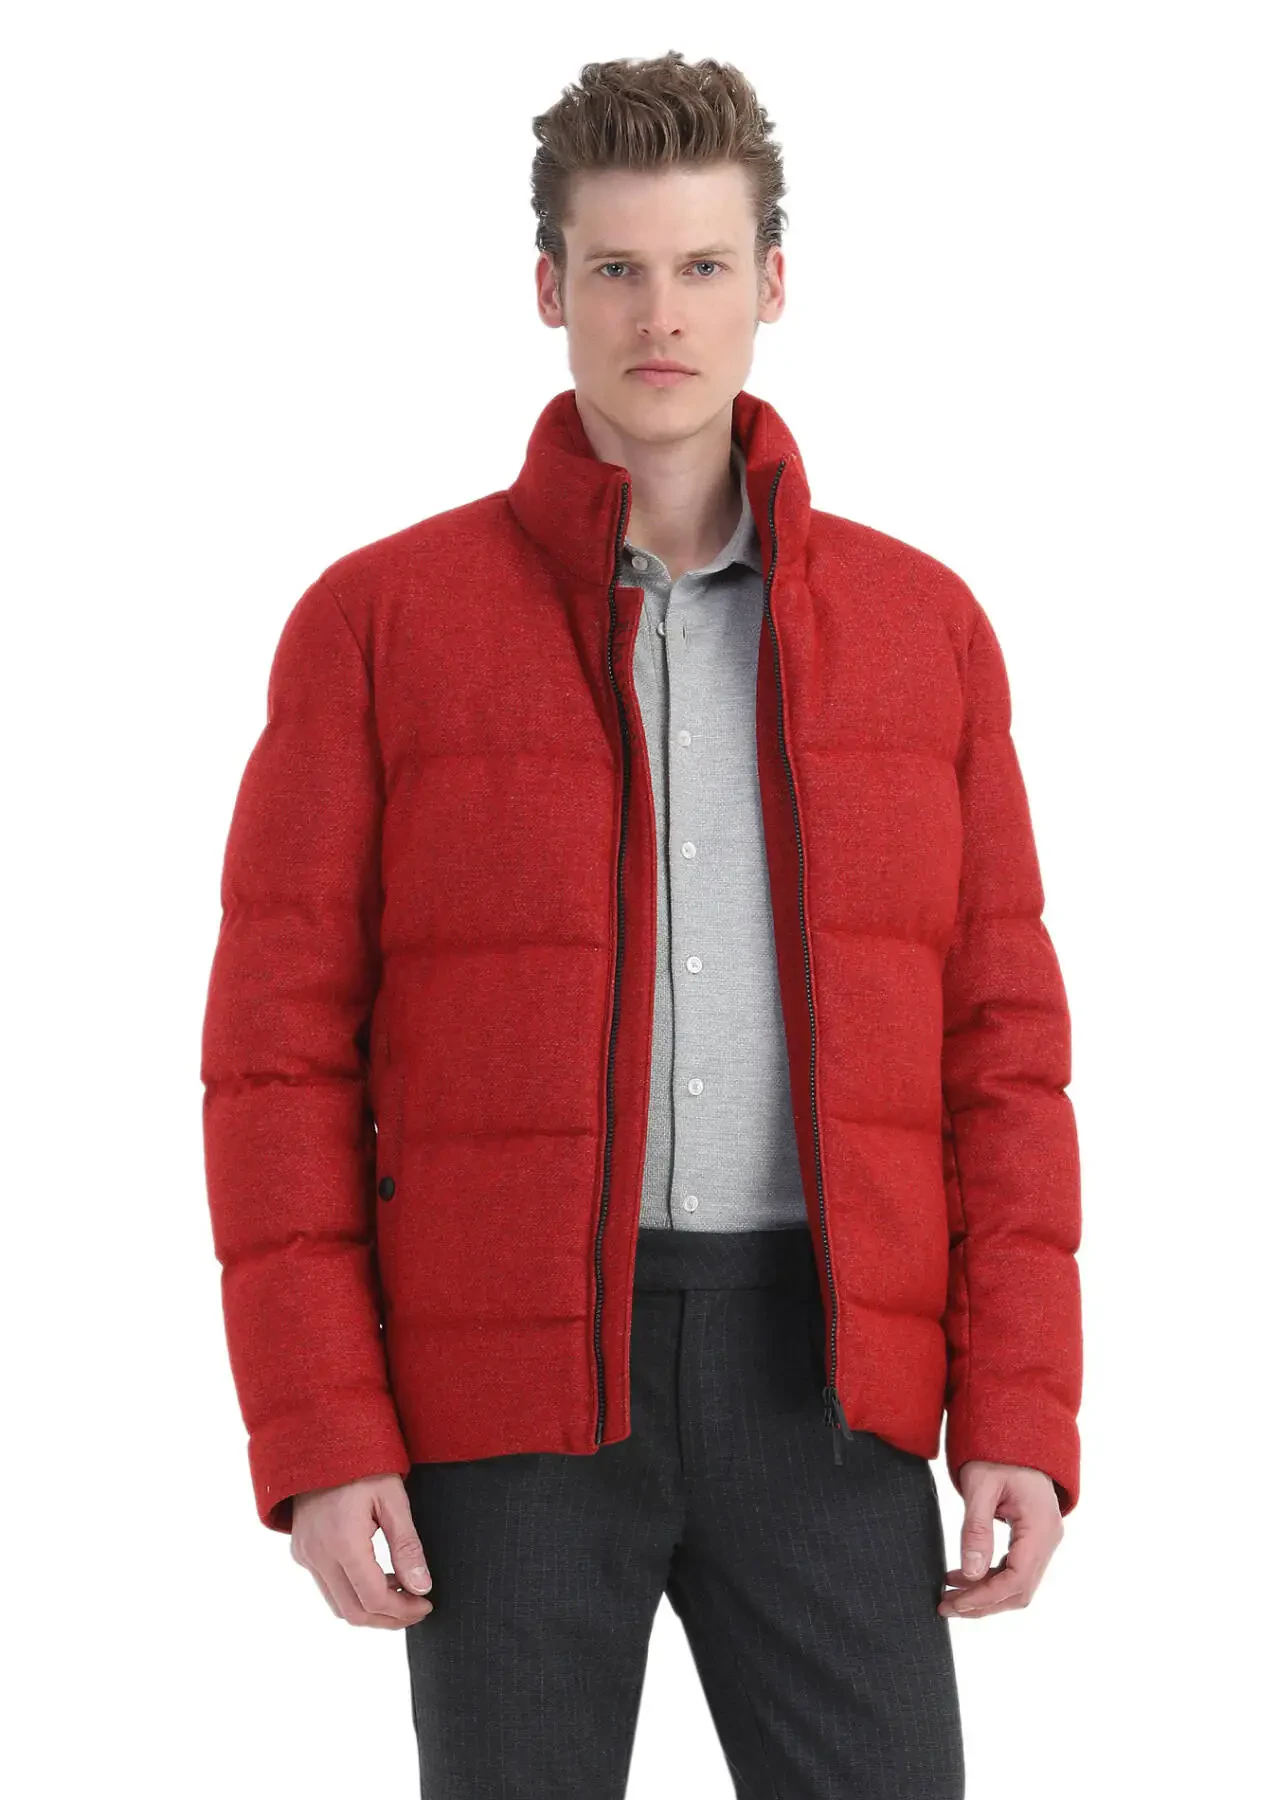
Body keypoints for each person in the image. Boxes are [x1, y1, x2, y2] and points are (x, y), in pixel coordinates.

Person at [200, 49, 1082, 1800]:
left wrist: (1025, 1406)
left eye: (699, 266)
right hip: (504, 1394)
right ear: (549, 289)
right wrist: (321, 1430)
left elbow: (1003, 1056)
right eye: (614, 266)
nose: (658, 314)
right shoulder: (379, 627)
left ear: (772, 284)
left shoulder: (923, 633)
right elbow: (276, 1059)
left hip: (827, 1382)